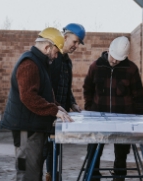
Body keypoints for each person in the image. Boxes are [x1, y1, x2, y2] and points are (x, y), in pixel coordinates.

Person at [1, 27, 73, 181]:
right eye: (55, 52)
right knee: (29, 173)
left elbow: (41, 91)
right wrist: (53, 110)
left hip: (30, 127)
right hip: (26, 130)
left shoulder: (39, 62)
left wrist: (56, 104)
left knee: (29, 171)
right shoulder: (30, 64)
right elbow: (28, 96)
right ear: (47, 47)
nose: (55, 57)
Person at [83, 36, 143, 181]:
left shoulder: (131, 69)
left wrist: (138, 117)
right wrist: (90, 110)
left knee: (122, 151)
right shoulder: (95, 66)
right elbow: (88, 89)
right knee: (94, 149)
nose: (115, 61)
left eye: (119, 59)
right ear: (109, 50)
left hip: (124, 118)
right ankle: (93, 175)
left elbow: (138, 94)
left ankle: (119, 176)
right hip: (99, 116)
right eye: (114, 57)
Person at [44, 23, 86, 181]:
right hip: (50, 111)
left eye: (78, 43)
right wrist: (53, 108)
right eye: (75, 42)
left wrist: (72, 103)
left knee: (56, 147)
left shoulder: (67, 61)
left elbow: (66, 86)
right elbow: (47, 86)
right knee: (46, 148)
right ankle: (50, 175)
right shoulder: (52, 58)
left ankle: (53, 174)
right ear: (65, 37)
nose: (76, 46)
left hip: (60, 112)